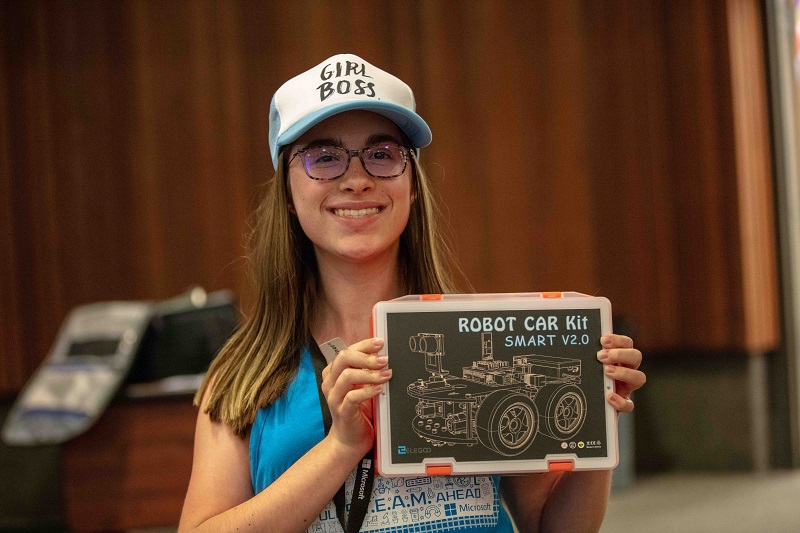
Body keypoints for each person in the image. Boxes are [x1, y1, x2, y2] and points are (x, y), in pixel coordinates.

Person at [178, 53, 646, 533]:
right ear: (289, 194)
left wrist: (595, 426)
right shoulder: (244, 373)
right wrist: (340, 448)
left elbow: (552, 528)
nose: (357, 180)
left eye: (382, 154)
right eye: (324, 157)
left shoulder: (492, 343)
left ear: (412, 184)